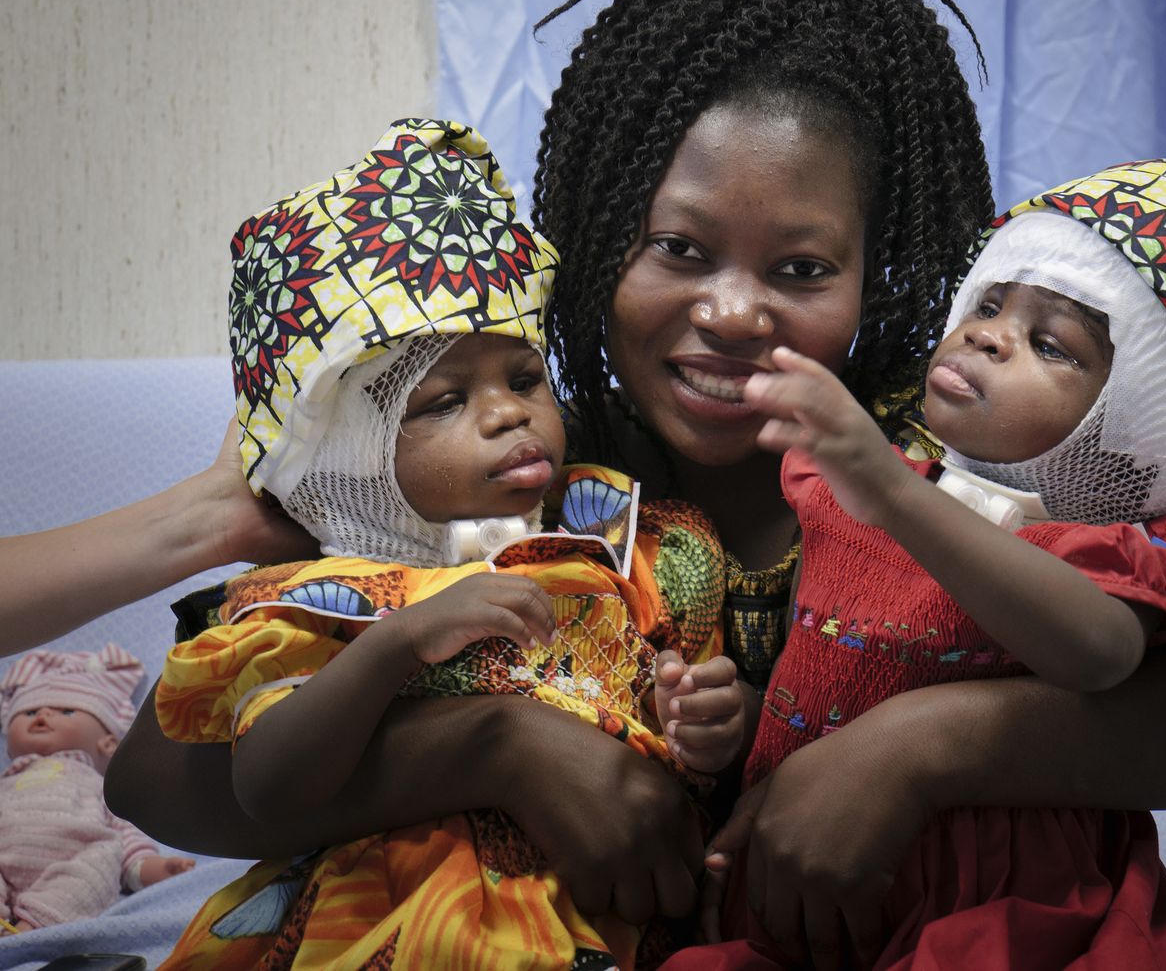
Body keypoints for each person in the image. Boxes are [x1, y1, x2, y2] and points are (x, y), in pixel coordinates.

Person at [99, 0, 1166, 967]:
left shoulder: (958, 472)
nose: (729, 310)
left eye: (804, 266)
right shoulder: (504, 474)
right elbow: (164, 779)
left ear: (885, 274)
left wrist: (928, 749)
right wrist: (499, 747)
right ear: (599, 234)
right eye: (679, 248)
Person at [672, 161, 1166, 969]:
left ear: (1145, 427)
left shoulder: (1109, 551)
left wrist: (889, 488)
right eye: (989, 303)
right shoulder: (848, 484)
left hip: (996, 913)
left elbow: (1099, 654)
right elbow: (842, 659)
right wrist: (744, 715)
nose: (986, 332)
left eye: (1051, 345)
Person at [155, 116, 746, 969]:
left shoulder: (631, 547)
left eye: (521, 378)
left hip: (602, 924)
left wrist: (712, 723)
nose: (507, 412)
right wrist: (395, 642)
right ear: (358, 459)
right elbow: (267, 786)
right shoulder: (319, 598)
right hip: (381, 931)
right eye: (442, 402)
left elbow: (698, 750)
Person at [0, 646, 194, 931]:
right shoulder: (7, 781)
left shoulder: (102, 786)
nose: (42, 712)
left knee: (101, 862)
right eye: (29, 711)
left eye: (66, 710)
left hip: (76, 863)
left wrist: (154, 868)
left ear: (108, 742)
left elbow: (125, 836)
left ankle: (32, 926)